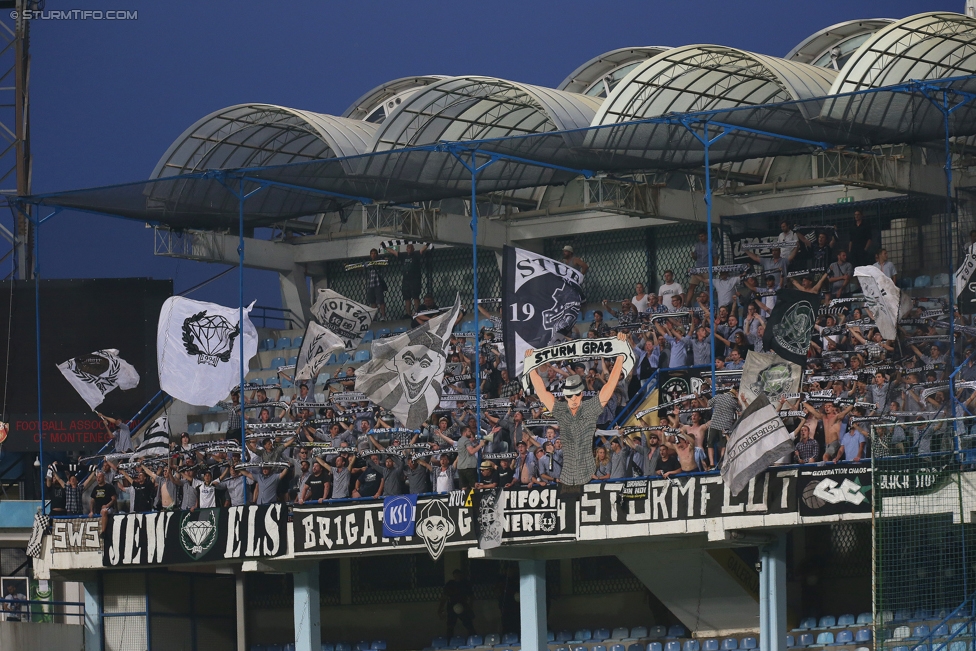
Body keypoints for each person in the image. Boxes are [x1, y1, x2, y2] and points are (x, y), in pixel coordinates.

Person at [525, 332, 629, 489]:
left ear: (581, 394)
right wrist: (531, 367)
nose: (573, 398)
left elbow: (609, 386)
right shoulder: (561, 410)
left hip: (588, 472)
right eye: (569, 395)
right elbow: (541, 392)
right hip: (565, 474)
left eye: (576, 394)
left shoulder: (589, 408)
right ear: (565, 396)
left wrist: (620, 356)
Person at [386, 241, 429, 317]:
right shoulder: (404, 256)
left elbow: (422, 250)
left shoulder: (416, 255)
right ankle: (408, 313)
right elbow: (394, 252)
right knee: (407, 297)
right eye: (408, 247)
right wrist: (385, 247)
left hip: (415, 279)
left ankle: (417, 312)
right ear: (406, 249)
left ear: (413, 248)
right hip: (406, 280)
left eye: (411, 247)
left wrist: (427, 244)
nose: (409, 249)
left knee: (415, 296)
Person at [707, 388, 739, 469]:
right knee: (723, 445)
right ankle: (722, 463)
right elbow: (739, 410)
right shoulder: (734, 401)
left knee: (710, 444)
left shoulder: (718, 396)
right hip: (725, 425)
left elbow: (708, 404)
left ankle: (711, 464)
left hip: (714, 423)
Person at [440, 569, 476, 638]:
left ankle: (474, 639)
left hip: (463, 605)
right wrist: (440, 608)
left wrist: (470, 606)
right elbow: (444, 596)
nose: (457, 576)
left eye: (458, 574)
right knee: (450, 625)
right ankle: (449, 642)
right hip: (452, 606)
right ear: (453, 576)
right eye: (455, 575)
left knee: (468, 624)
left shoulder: (465, 583)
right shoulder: (450, 584)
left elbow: (471, 596)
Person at [364, 248, 389, 320]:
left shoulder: (379, 262)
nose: (373, 255)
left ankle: (383, 316)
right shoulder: (368, 263)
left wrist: (386, 260)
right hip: (371, 284)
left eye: (375, 253)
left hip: (378, 284)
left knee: (381, 301)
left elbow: (385, 264)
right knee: (373, 302)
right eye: (372, 253)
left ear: (377, 255)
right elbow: (360, 267)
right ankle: (374, 317)